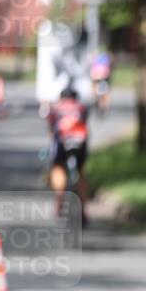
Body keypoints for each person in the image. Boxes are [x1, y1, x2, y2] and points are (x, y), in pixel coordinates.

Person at [47, 86, 90, 225]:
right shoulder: (81, 107)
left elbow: (51, 128)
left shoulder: (55, 108)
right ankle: (83, 206)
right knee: (81, 170)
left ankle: (59, 201)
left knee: (58, 167)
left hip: (62, 143)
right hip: (80, 143)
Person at [88, 51, 113, 115]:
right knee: (105, 93)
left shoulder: (97, 63)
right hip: (102, 79)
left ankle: (98, 100)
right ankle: (103, 104)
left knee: (102, 92)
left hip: (100, 79)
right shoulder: (104, 63)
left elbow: (93, 75)